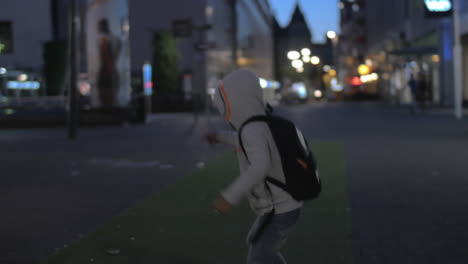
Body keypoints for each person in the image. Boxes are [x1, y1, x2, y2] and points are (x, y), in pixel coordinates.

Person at [205, 69, 302, 264]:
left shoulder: (252, 128)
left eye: (224, 106)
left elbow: (260, 166)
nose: (224, 114)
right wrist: (219, 137)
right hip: (282, 204)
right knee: (259, 245)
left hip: (279, 207)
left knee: (259, 255)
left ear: (235, 102)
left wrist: (229, 197)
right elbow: (242, 141)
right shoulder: (259, 124)